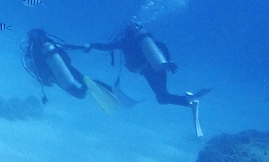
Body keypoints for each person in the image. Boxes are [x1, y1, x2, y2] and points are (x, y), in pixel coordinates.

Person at [80, 23, 209, 110]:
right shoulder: (145, 41)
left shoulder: (126, 42)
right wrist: (169, 60)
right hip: (160, 67)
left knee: (162, 97)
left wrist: (90, 45)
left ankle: (190, 100)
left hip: (148, 71)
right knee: (162, 97)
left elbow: (106, 46)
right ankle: (188, 101)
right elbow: (162, 45)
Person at [21, 29, 118, 112]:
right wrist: (83, 47)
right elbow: (67, 47)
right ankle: (108, 88)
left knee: (80, 95)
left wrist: (45, 84)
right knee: (84, 79)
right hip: (67, 67)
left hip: (56, 76)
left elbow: (34, 70)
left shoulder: (31, 53)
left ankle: (87, 85)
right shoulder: (49, 44)